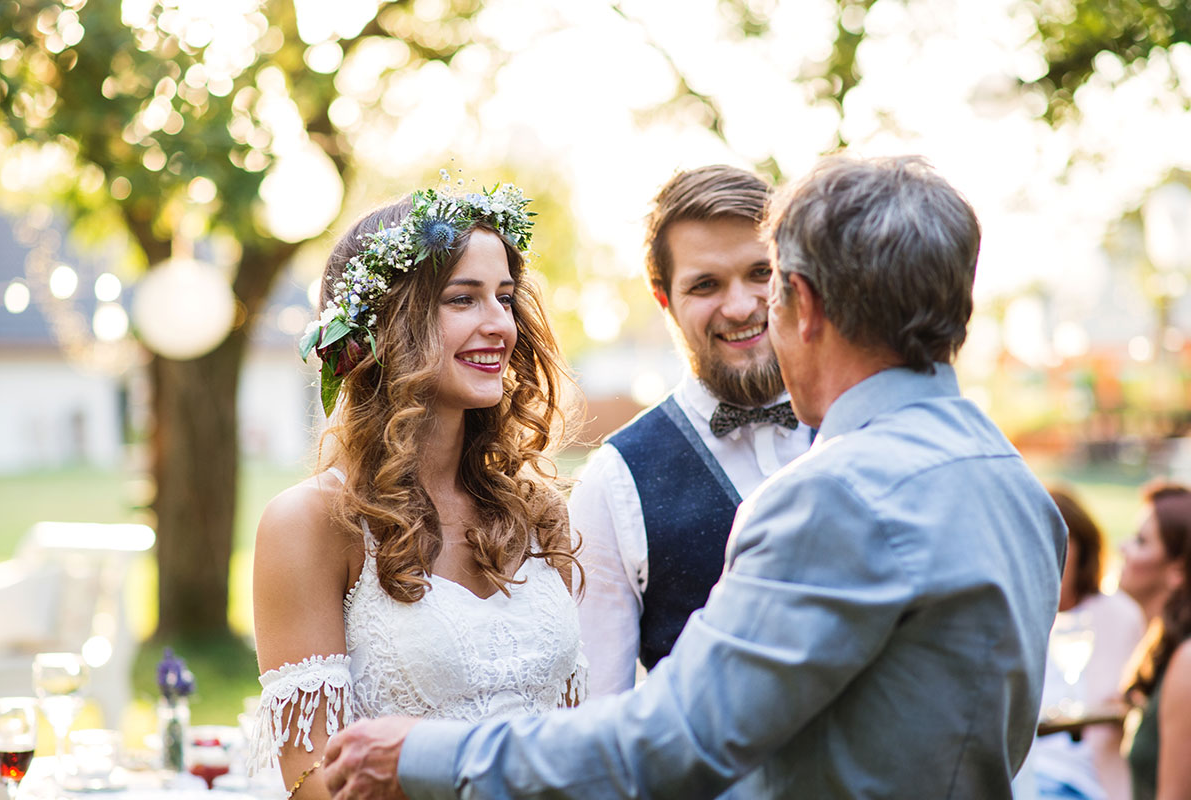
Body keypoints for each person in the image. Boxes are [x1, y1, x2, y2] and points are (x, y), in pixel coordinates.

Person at [321, 155, 1067, 799]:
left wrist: (418, 754)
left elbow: (673, 740)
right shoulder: (1016, 485)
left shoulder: (834, 495)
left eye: (768, 287)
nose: (749, 312)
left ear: (800, 305)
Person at [248, 179, 586, 800]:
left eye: (505, 299)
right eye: (463, 299)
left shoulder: (537, 513)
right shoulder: (313, 523)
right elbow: (312, 782)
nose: (499, 326)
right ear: (384, 323)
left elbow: (571, 738)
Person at [571, 165, 813, 695]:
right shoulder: (614, 483)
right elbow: (601, 718)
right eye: (706, 284)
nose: (741, 305)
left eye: (760, 273)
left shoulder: (859, 425)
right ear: (664, 299)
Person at [1025, 487, 1145, 800]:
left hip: (1080, 777)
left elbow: (1131, 702)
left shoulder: (1117, 615)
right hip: (1023, 771)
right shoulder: (1018, 616)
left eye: (1058, 540)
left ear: (1082, 548)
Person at [1119, 482, 1191, 800]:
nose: (1123, 547)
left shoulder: (1187, 662)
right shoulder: (1163, 646)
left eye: (1141, 541)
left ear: (1177, 570)